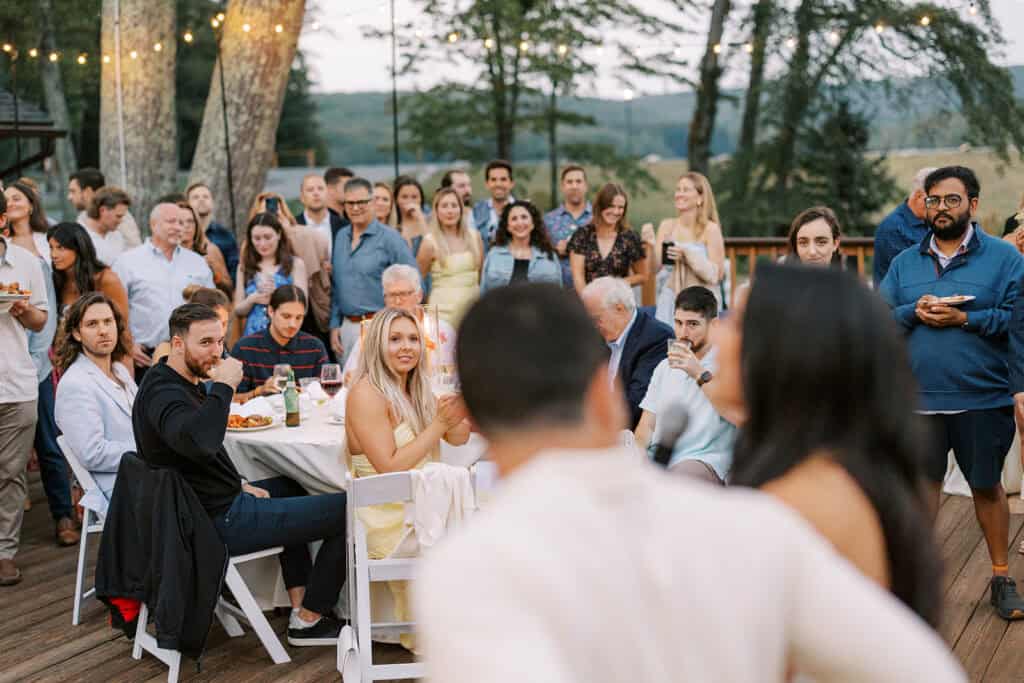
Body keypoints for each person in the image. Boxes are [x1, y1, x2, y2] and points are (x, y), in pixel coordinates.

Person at [414, 283, 967, 683]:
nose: (719, 334)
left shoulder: (469, 568)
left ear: (473, 420)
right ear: (605, 397)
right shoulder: (757, 526)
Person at [133, 303, 347, 645]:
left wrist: (239, 483)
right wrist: (225, 387)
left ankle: (298, 601)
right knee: (351, 509)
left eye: (220, 342)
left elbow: (192, 456)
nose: (216, 352)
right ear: (176, 344)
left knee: (293, 485)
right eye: (205, 343)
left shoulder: (174, 380)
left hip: (210, 504)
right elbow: (201, 442)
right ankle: (311, 618)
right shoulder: (165, 394)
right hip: (213, 523)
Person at [880, 166, 1024, 620]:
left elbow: (1015, 321)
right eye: (934, 200)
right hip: (918, 400)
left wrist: (968, 319)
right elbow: (880, 318)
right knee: (922, 491)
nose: (941, 208)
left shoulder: (1005, 259)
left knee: (987, 486)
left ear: (973, 206)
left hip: (983, 397)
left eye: (952, 200)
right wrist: (912, 311)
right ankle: (917, 586)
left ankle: (1002, 576)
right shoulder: (905, 262)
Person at [345, 307, 470, 651]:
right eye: (395, 339)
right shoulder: (366, 393)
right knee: (479, 526)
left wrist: (462, 409)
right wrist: (439, 425)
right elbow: (388, 466)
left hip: (416, 507)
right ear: (375, 346)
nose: (407, 347)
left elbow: (458, 439)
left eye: (414, 339)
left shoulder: (415, 388)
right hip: (386, 518)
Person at [634, 286, 735, 484]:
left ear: (714, 325)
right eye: (678, 323)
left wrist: (697, 372)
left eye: (692, 324)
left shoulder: (726, 363)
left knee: (675, 481)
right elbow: (647, 424)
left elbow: (735, 412)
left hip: (702, 459)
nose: (683, 332)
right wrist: (637, 456)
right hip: (660, 456)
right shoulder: (664, 366)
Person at [0, 191, 50, 586]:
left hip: (16, 384)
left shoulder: (27, 263)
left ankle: (4, 550)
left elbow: (39, 322)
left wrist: (21, 308)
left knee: (11, 472)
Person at [53, 293, 136, 517]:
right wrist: (149, 450)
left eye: (108, 322)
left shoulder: (119, 370)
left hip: (148, 473)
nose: (103, 330)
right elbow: (92, 453)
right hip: (119, 486)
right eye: (92, 324)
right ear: (77, 334)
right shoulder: (75, 384)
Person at [112, 202, 214, 379]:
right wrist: (127, 345)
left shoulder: (197, 263)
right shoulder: (127, 262)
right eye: (171, 221)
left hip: (189, 358)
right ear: (153, 224)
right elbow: (114, 310)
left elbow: (211, 308)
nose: (178, 227)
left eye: (182, 223)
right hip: (143, 359)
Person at [328, 177, 417, 367]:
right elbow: (336, 285)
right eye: (350, 203)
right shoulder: (341, 236)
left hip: (380, 326)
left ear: (372, 202)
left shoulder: (390, 239)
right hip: (346, 328)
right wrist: (335, 324)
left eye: (362, 202)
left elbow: (414, 283)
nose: (355, 207)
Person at [581, 276, 671, 429]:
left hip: (626, 433)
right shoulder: (597, 334)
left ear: (619, 308)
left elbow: (635, 404)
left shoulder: (656, 338)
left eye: (596, 318)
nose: (593, 325)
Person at [342, 264, 456, 385]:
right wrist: (354, 377)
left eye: (403, 294)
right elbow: (349, 374)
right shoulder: (371, 333)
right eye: (391, 295)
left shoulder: (442, 331)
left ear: (419, 296)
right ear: (384, 299)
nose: (397, 301)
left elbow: (455, 376)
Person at [642, 172, 724, 323]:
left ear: (700, 198)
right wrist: (651, 245)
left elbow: (717, 275)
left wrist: (687, 255)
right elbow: (654, 268)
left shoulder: (710, 229)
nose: (679, 194)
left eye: (686, 190)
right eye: (678, 189)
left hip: (700, 304)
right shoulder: (667, 226)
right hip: (670, 300)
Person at [48, 222, 131, 361]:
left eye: (60, 248)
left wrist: (123, 369)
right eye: (51, 248)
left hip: (103, 360)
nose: (53, 254)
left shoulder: (106, 279)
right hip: (64, 361)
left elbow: (122, 329)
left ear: (79, 248)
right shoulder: (57, 280)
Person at [232, 285, 329, 402]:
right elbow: (230, 399)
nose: (293, 324)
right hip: (260, 418)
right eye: (286, 316)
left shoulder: (315, 348)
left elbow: (326, 394)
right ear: (271, 311)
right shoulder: (244, 348)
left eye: (299, 318)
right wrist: (259, 391)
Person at [234, 212, 307, 338]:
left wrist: (278, 296)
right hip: (253, 336)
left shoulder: (295, 264)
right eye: (256, 238)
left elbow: (303, 308)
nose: (262, 244)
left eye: (267, 237)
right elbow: (238, 310)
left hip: (285, 335)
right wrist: (253, 299)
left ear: (279, 234)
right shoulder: (243, 267)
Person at [567, 183, 647, 295]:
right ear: (600, 206)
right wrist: (589, 301)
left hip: (618, 301)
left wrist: (615, 285)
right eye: (611, 206)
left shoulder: (630, 237)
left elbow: (642, 276)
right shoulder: (582, 235)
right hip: (586, 301)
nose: (616, 212)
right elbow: (578, 278)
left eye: (620, 207)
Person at [420, 187, 483, 326]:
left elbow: (480, 275)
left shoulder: (475, 237)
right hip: (442, 316)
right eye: (444, 206)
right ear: (436, 210)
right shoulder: (429, 242)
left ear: (461, 209)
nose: (450, 211)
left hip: (472, 313)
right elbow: (419, 281)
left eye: (454, 206)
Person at [248, 191, 327, 296]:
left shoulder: (302, 234)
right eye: (264, 213)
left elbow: (319, 253)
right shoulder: (252, 243)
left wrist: (288, 231)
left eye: (274, 210)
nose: (269, 216)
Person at [873, 166, 937, 285]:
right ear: (919, 196)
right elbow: (908, 276)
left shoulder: (929, 222)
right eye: (934, 201)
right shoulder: (892, 228)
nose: (939, 207)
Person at [481, 200, 562, 292]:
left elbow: (557, 294)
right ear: (508, 227)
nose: (520, 223)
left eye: (524, 217)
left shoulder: (548, 255)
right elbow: (484, 292)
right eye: (514, 219)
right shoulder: (494, 255)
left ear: (533, 223)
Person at [152, 285, 232, 364]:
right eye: (214, 326)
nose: (221, 331)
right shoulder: (166, 350)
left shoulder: (223, 351)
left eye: (224, 324)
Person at [544, 164, 592, 287]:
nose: (574, 186)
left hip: (593, 291)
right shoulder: (548, 220)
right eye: (569, 182)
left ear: (586, 186)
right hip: (558, 291)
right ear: (562, 186)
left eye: (578, 181)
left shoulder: (598, 219)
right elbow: (541, 254)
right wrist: (556, 250)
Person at [68, 168, 142, 249]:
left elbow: (135, 247)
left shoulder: (118, 214)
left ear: (88, 191)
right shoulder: (82, 217)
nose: (69, 197)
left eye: (73, 191)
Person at [186, 182, 240, 281]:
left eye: (206, 197)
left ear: (212, 203)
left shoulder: (225, 236)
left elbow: (235, 272)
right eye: (195, 197)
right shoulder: (181, 235)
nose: (201, 199)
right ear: (187, 204)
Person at [178, 202, 232, 296]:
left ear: (196, 225)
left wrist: (215, 273)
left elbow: (229, 289)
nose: (186, 226)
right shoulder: (167, 256)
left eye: (190, 221)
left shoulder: (209, 250)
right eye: (181, 222)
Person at [296, 173, 346, 258]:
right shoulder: (293, 226)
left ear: (327, 194)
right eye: (310, 190)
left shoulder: (344, 226)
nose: (316, 193)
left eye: (320, 189)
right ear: (302, 197)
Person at [80, 186, 131, 266]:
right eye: (118, 216)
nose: (121, 221)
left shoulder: (117, 236)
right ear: (103, 210)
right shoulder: (79, 238)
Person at [471, 159, 515, 250]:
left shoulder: (524, 211)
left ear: (511, 183)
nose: (498, 184)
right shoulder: (476, 211)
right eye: (493, 180)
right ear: (487, 184)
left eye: (503, 179)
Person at [4, 180, 50, 262]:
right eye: (5, 201)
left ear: (31, 206)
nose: (9, 204)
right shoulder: (3, 244)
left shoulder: (49, 238)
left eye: (16, 199)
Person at [393, 175, 430, 259]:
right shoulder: (392, 225)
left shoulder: (430, 221)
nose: (410, 201)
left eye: (414, 197)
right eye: (404, 197)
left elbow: (432, 246)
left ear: (421, 199)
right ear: (396, 200)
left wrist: (421, 218)